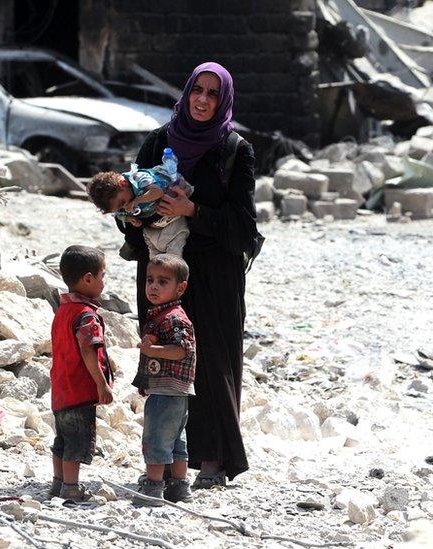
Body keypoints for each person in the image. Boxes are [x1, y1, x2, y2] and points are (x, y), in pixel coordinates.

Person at [118, 62, 257, 487]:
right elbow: (127, 210)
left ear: (224, 100)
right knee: (163, 361)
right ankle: (161, 466)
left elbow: (244, 228)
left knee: (211, 362)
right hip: (160, 272)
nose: (202, 100)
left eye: (213, 94)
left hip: (213, 275)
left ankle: (212, 460)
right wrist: (138, 213)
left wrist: (191, 211)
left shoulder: (235, 150)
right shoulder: (157, 142)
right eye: (198, 90)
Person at [49, 245, 114, 502]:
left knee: (62, 440)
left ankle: (58, 483)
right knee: (77, 442)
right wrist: (102, 385)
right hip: (80, 389)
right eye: (102, 276)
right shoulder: (87, 315)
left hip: (61, 389)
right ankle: (71, 488)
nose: (103, 282)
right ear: (88, 279)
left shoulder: (62, 310)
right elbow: (88, 351)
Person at [131, 254, 196, 505]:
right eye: (150, 280)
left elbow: (182, 350)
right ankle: (179, 488)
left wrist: (153, 352)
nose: (154, 286)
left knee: (156, 437)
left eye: (162, 281)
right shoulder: (163, 314)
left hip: (169, 389)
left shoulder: (173, 318)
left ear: (180, 288)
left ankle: (152, 488)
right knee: (177, 440)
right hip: (174, 390)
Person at [88, 165, 193, 257]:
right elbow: (119, 215)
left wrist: (137, 200)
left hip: (174, 208)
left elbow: (157, 192)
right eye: (120, 207)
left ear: (123, 183)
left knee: (175, 253)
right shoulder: (122, 202)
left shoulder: (139, 177)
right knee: (155, 257)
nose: (124, 207)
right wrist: (130, 218)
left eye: (122, 202)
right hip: (155, 223)